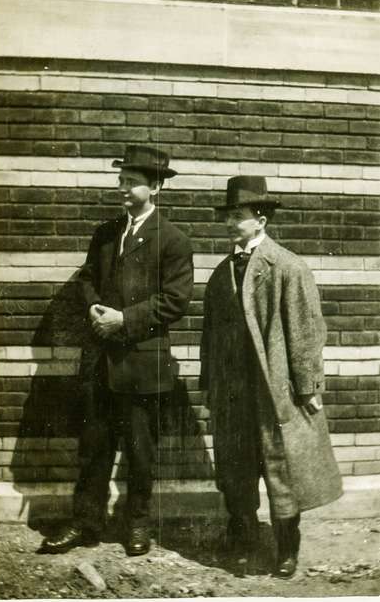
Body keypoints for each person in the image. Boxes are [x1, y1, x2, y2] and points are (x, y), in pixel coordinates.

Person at [42, 145, 193, 556]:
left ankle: (137, 524)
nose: (122, 188)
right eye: (121, 180)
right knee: (93, 446)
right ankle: (86, 523)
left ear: (156, 188)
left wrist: (123, 320)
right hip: (100, 363)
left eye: (131, 182)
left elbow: (175, 300)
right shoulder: (106, 233)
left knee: (141, 452)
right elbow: (87, 278)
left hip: (142, 364)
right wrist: (93, 305)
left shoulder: (174, 240)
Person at [200, 175, 342, 578]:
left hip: (274, 390)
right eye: (228, 216)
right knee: (236, 472)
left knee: (284, 474)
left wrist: (308, 386)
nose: (231, 223)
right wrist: (210, 385)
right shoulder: (220, 273)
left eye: (239, 216)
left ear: (260, 219)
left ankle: (286, 549)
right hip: (233, 394)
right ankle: (244, 540)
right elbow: (209, 336)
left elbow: (306, 330)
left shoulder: (286, 267)